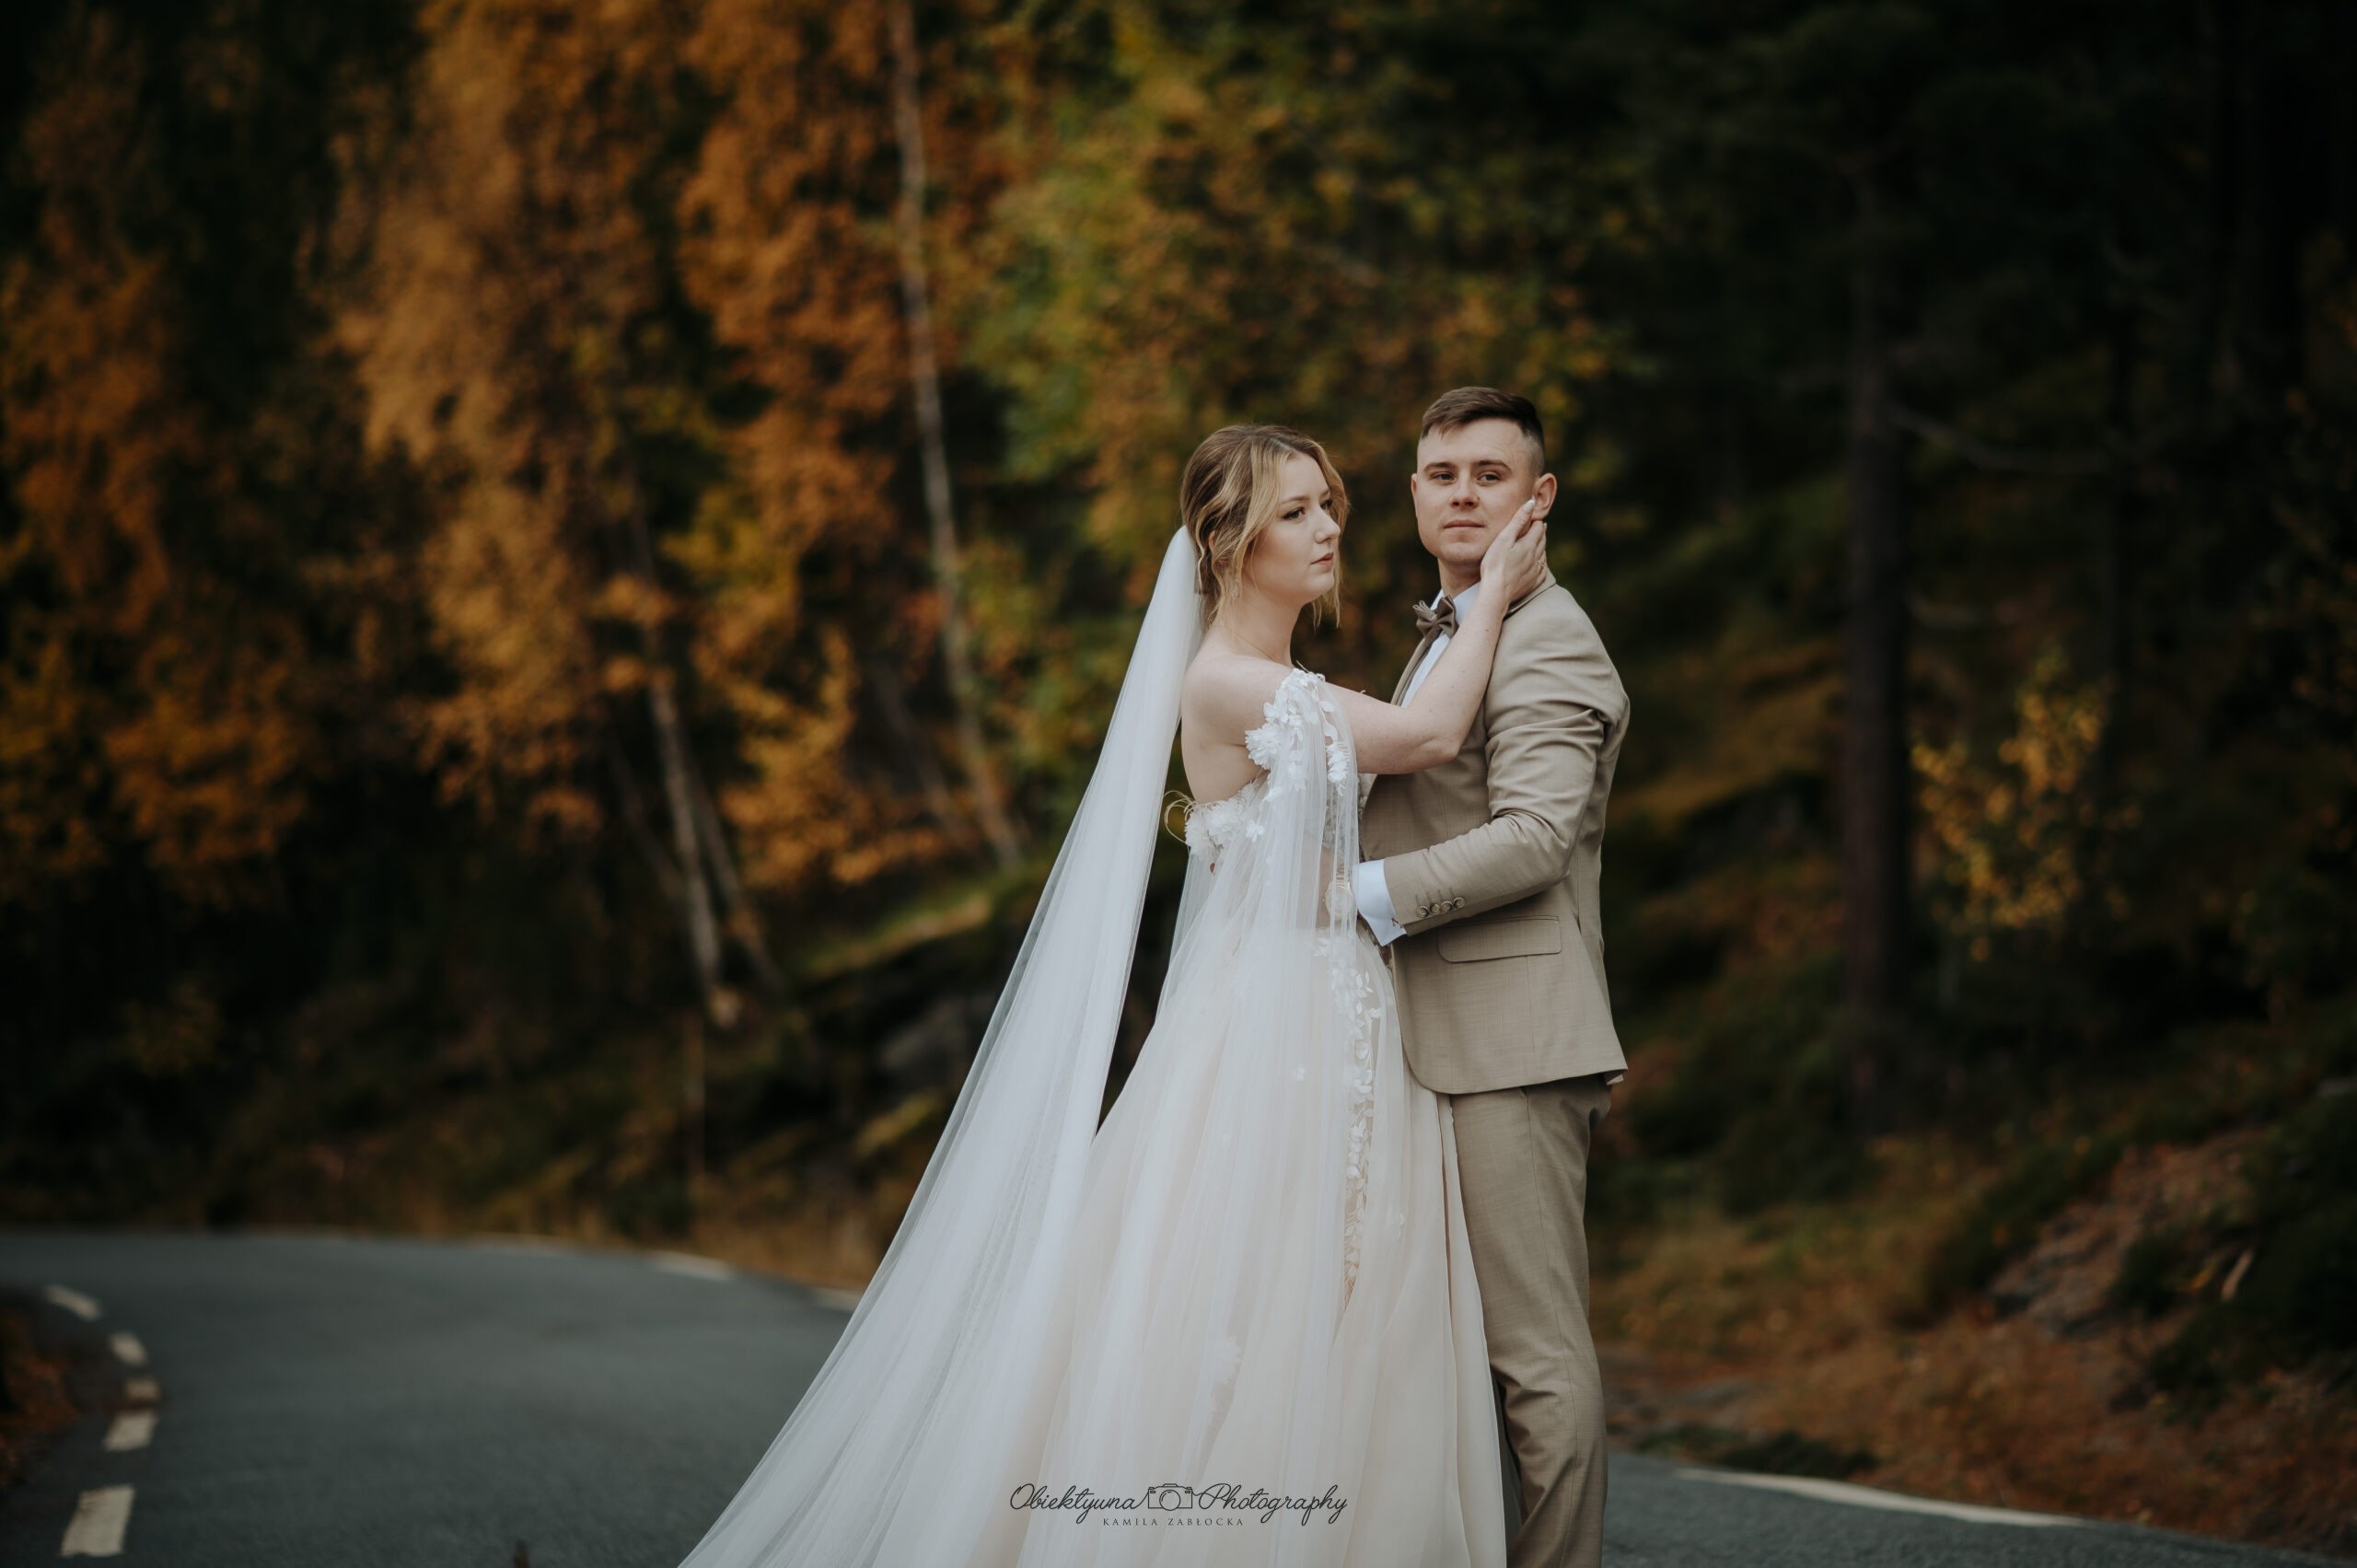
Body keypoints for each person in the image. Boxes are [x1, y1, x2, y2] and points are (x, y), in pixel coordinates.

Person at [676, 422, 1549, 1567]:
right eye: (1293, 511)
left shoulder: (1288, 681)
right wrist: (1495, 594)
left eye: (1328, 502)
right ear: (1228, 543)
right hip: (1273, 1023)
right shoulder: (1229, 684)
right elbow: (1430, 736)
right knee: (1258, 1284)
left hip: (1345, 1007)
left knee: (1355, 1288)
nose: (1329, 527)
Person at [1357, 387, 1631, 1568]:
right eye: (1441, 473)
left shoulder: (1549, 635)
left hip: (1513, 1041)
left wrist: (1355, 896)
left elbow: (1533, 837)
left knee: (1534, 1357)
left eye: (1490, 473)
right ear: (1414, 491)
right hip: (1437, 1033)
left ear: (1539, 496)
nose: (1462, 494)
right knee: (1441, 1345)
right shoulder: (1453, 626)